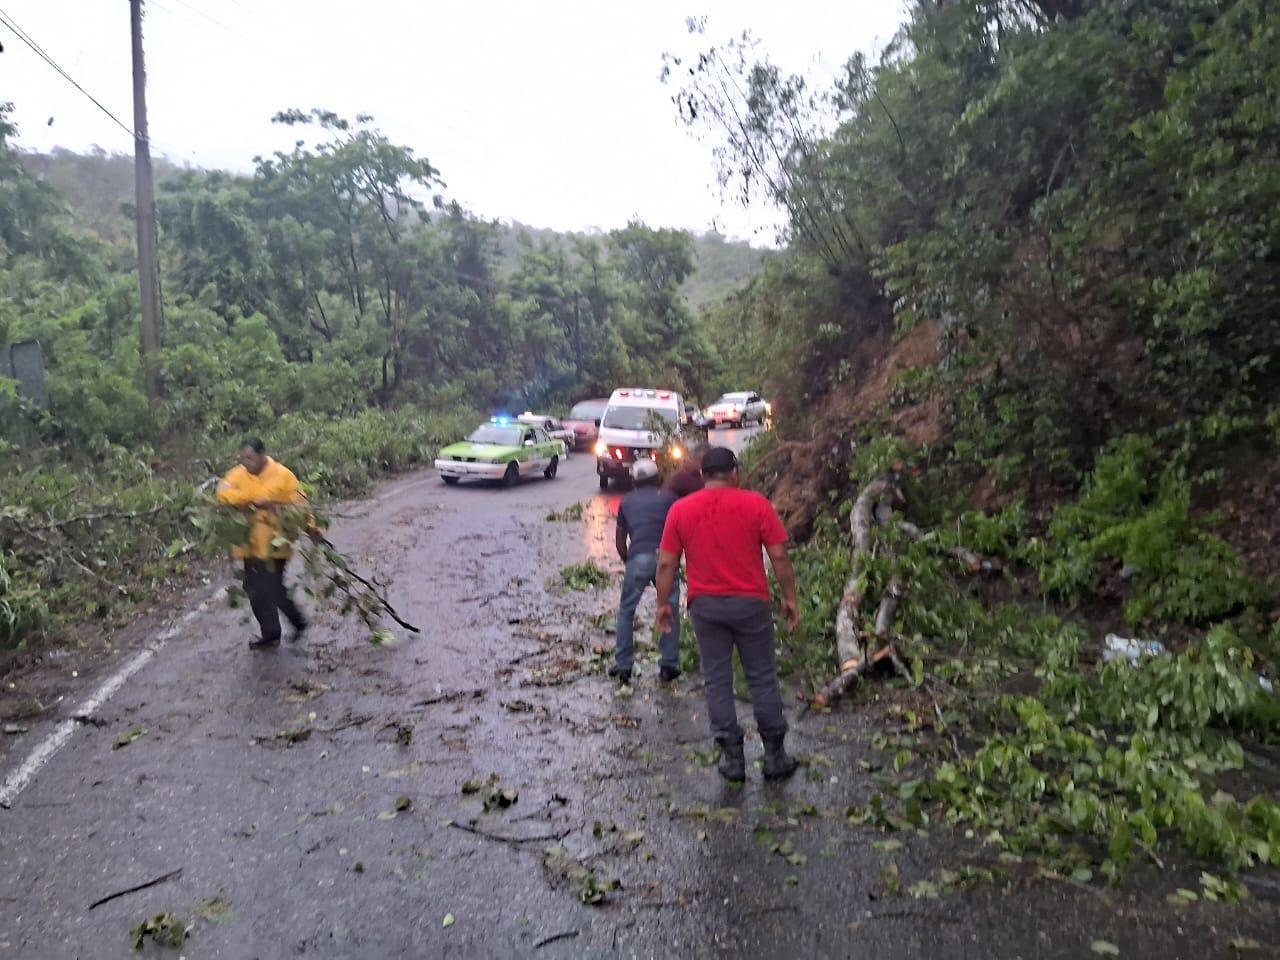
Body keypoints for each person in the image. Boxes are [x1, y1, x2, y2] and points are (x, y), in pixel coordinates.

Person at [655, 446, 800, 782]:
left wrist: (663, 604)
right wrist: (790, 597)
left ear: (704, 475)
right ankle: (775, 757)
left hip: (706, 607)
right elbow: (778, 556)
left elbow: (666, 562)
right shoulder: (756, 504)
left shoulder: (681, 510)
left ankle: (733, 760)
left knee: (717, 680)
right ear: (734, 473)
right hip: (751, 605)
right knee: (762, 676)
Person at [217, 439, 310, 649]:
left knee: (271, 586)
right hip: (250, 545)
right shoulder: (238, 475)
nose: (246, 462)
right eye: (243, 458)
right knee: (253, 588)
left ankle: (296, 622)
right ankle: (271, 634)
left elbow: (300, 505)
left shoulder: (283, 475)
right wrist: (251, 498)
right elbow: (223, 492)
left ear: (262, 455)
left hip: (277, 544)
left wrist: (313, 529)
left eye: (250, 457)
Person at [610, 459, 681, 685]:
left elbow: (620, 539)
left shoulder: (627, 501)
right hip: (666, 559)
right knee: (669, 609)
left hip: (638, 557)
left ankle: (624, 665)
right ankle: (668, 666)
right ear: (658, 478)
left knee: (626, 612)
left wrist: (630, 560)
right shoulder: (670, 499)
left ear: (634, 481)